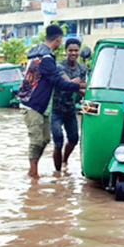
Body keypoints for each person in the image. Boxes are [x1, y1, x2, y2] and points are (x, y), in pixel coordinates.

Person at [21, 25, 85, 179]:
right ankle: (33, 172)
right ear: (58, 40)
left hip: (42, 106)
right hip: (33, 104)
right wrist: (79, 86)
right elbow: (58, 82)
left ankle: (35, 170)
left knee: (45, 139)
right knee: (37, 140)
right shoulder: (47, 58)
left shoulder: (39, 51)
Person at [50, 38, 89, 172]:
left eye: (76, 50)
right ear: (65, 51)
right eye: (70, 50)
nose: (73, 53)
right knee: (58, 141)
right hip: (56, 109)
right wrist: (75, 85)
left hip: (70, 109)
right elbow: (67, 84)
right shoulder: (58, 66)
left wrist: (73, 85)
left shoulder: (82, 68)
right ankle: (57, 173)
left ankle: (65, 160)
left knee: (73, 139)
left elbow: (86, 87)